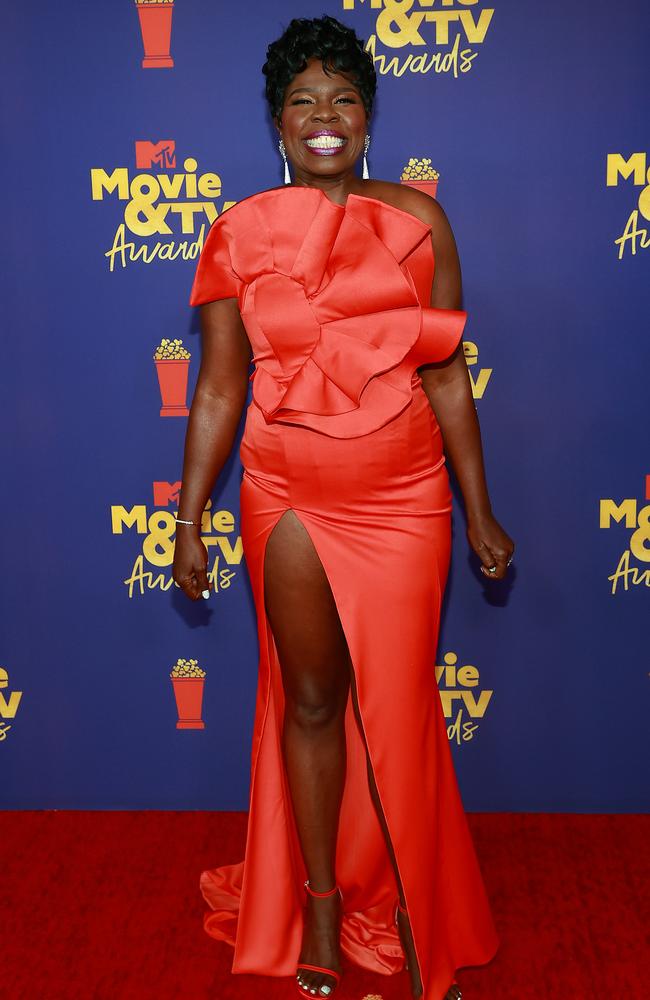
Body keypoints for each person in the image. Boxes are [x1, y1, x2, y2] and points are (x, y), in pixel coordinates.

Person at [172, 14, 514, 1000]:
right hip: (285, 494)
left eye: (343, 98)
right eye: (301, 102)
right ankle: (321, 902)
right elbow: (219, 388)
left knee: (401, 710)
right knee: (312, 699)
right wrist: (191, 518)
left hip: (405, 497)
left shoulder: (416, 221)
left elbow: (445, 377)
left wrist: (478, 508)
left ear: (368, 116)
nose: (323, 117)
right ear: (277, 124)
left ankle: (417, 900)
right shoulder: (238, 233)